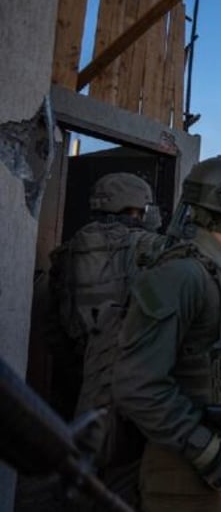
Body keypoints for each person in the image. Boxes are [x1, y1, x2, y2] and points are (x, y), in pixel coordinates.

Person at [112, 155, 221, 512]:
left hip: (206, 461)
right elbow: (136, 385)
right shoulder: (181, 276)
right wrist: (205, 449)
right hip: (180, 470)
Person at [45, 172, 166, 508]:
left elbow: (52, 321)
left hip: (82, 376)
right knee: (126, 480)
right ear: (138, 206)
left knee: (88, 470)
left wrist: (77, 368)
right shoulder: (152, 247)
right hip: (136, 382)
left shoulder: (67, 251)